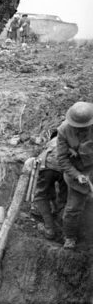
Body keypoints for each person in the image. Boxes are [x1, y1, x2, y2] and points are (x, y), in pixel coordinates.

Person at [57, 101, 93, 249]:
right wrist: (77, 175)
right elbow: (63, 159)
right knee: (73, 209)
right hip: (76, 172)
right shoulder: (64, 130)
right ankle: (70, 237)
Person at [33, 137, 67, 240]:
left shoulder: (54, 140)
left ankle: (49, 229)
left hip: (48, 165)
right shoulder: (75, 137)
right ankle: (65, 231)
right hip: (66, 169)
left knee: (40, 195)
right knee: (64, 198)